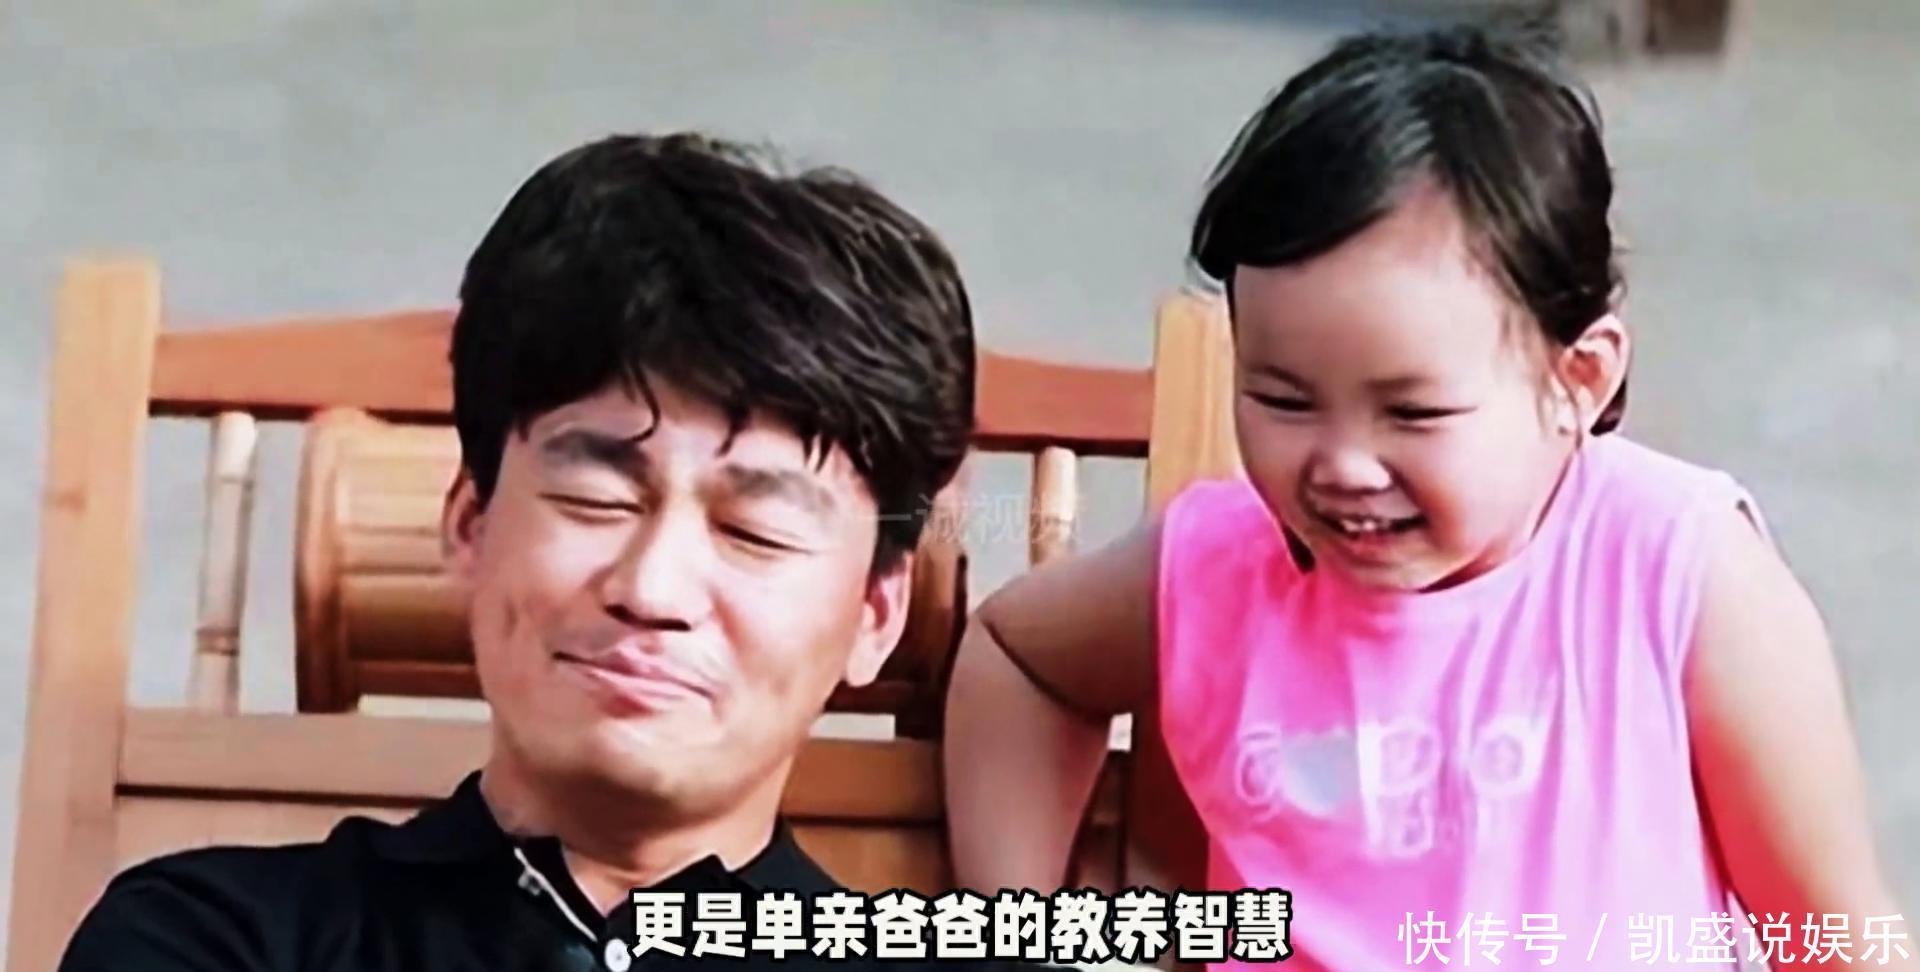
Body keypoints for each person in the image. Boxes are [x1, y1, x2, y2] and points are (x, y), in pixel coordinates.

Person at [943, 21, 1913, 972]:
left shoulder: (1682, 580)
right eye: (1282, 399)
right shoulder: (1217, 568)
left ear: (1578, 379)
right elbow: (1022, 662)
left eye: (1413, 412)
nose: (1342, 465)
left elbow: (1835, 939)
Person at [59, 133, 998, 971]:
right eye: (597, 497)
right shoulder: (211, 936)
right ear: (471, 526)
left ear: (874, 614)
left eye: (754, 530)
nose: (652, 588)